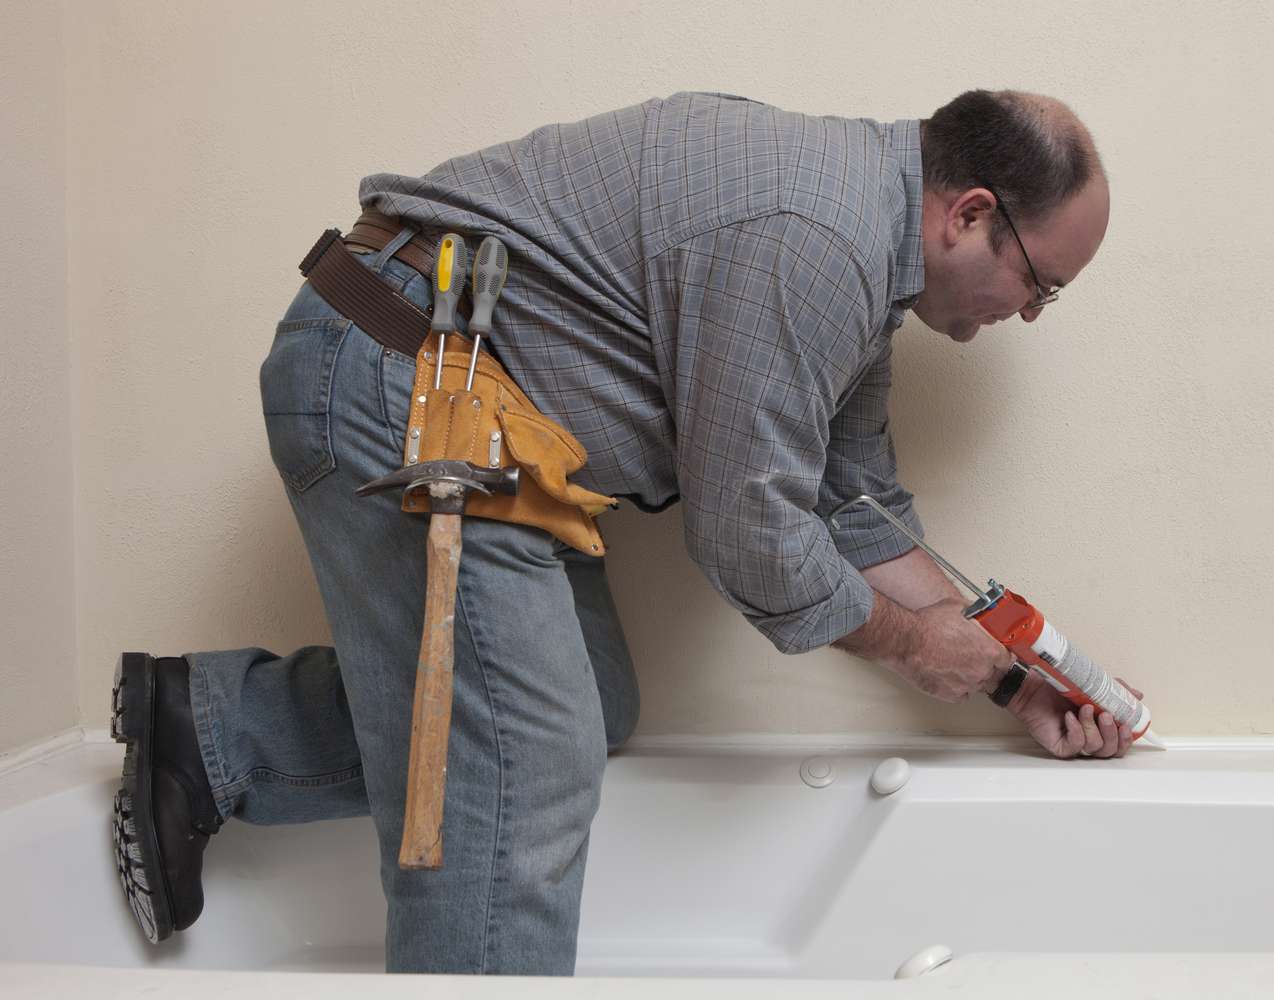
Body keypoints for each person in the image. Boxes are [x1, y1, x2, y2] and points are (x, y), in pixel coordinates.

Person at [108, 88, 1136, 975]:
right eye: (1042, 283)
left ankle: (211, 729)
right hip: (397, 373)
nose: (1034, 312)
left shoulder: (858, 273)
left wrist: (1015, 678)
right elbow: (750, 535)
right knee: (530, 757)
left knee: (588, 704)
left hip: (478, 417)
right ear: (970, 214)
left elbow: (854, 506)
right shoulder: (815, 240)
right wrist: (915, 645)